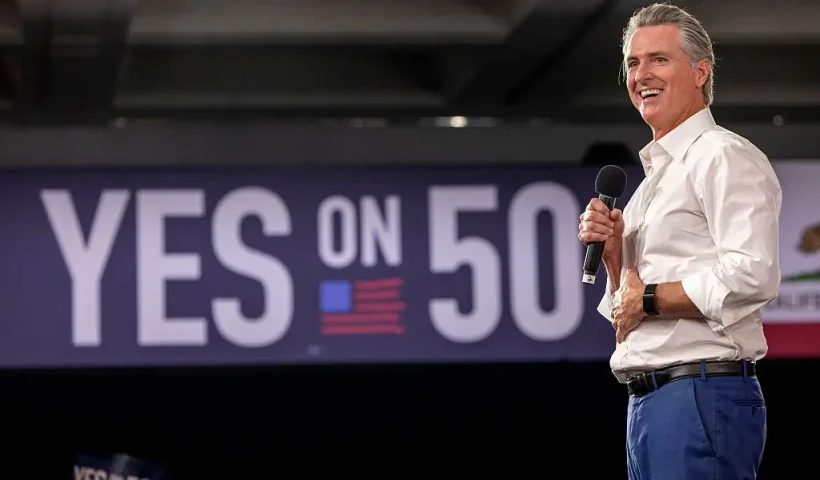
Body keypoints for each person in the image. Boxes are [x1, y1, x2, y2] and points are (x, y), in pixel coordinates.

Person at [577, 3, 782, 479]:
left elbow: (753, 271)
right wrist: (614, 261)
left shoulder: (723, 155)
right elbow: (627, 316)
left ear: (700, 71)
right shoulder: (650, 184)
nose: (641, 73)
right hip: (650, 403)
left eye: (658, 59)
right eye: (632, 62)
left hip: (700, 396)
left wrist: (648, 297)